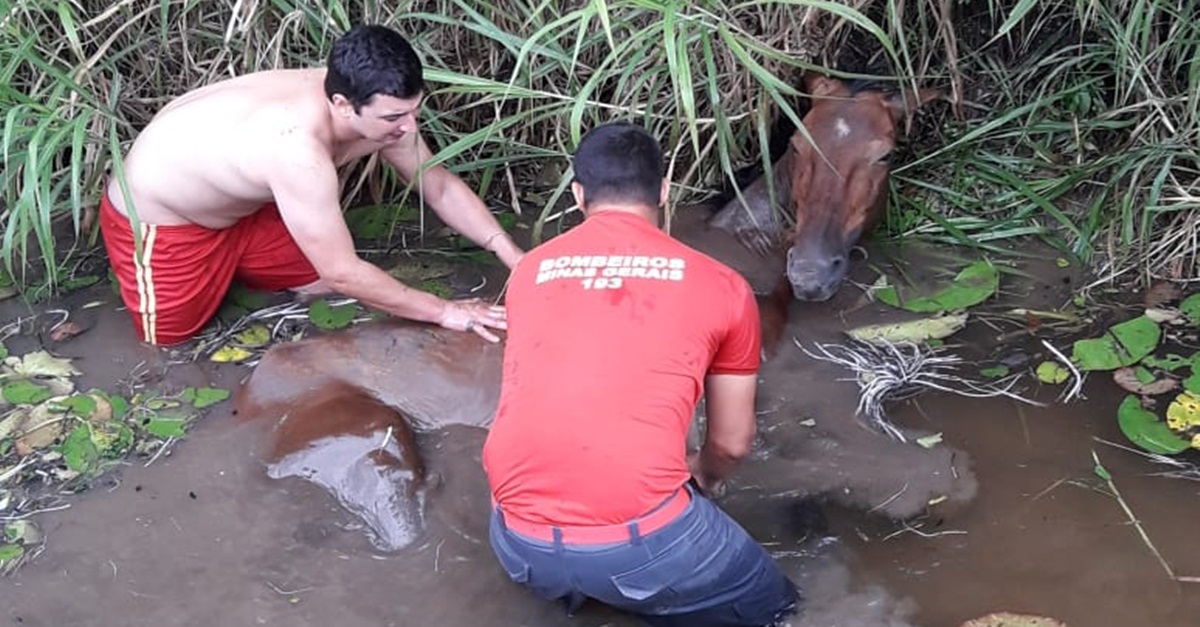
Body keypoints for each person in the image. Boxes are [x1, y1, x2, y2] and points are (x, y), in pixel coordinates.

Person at [482, 121, 800, 626]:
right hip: (643, 549)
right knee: (778, 608)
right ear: (665, 193)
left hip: (518, 543)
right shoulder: (723, 286)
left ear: (579, 193)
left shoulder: (529, 271)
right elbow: (733, 443)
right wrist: (705, 478)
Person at [98, 24, 523, 346]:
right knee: (169, 342)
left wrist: (510, 253)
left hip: (251, 205)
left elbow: (439, 186)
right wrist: (445, 311)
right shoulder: (297, 151)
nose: (410, 127)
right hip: (167, 221)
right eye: (395, 118)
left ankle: (243, 264)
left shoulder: (371, 99)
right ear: (341, 104)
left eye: (414, 111)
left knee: (317, 288)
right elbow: (343, 272)